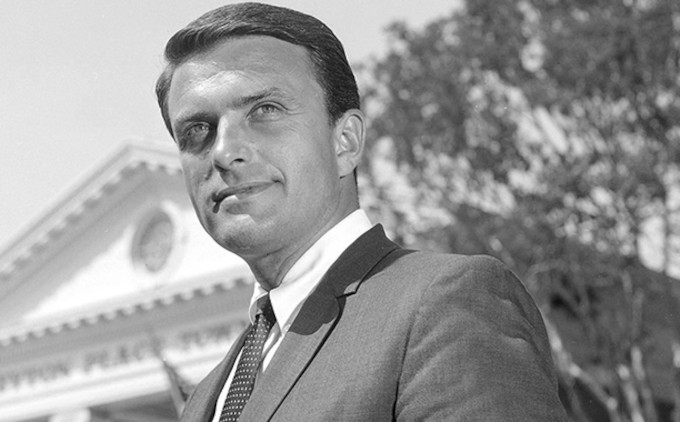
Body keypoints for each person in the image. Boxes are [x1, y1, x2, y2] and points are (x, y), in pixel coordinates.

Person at [155, 2, 567, 421]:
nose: (224, 152)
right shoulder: (209, 395)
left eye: (265, 111)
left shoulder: (446, 304)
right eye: (197, 130)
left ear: (346, 142)